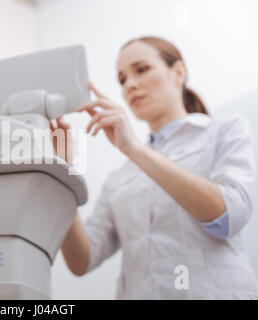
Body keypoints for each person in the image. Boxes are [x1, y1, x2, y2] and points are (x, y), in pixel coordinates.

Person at [50, 36, 258, 299]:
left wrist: (135, 149)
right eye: (122, 79)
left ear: (178, 72)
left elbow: (228, 217)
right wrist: (63, 174)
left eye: (142, 69)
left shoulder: (225, 131)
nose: (130, 85)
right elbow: (82, 261)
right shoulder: (119, 177)